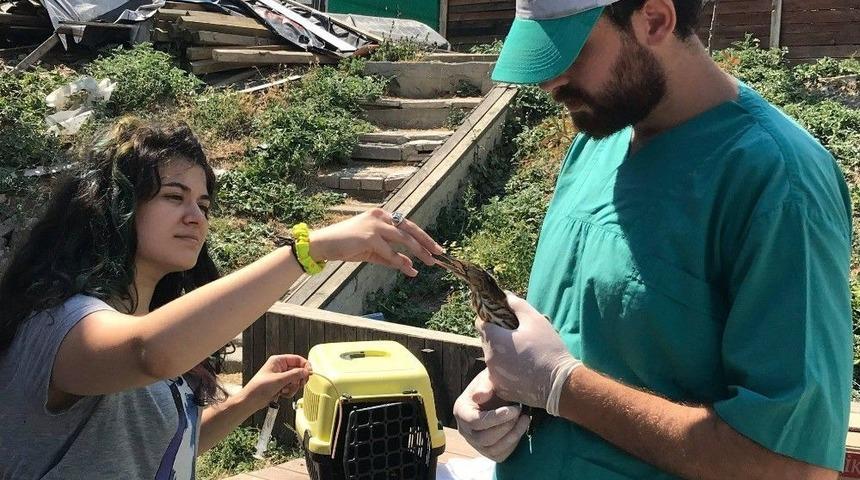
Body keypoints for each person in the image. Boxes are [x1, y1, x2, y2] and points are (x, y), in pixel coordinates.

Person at [453, 0, 853, 479]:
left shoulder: (777, 182)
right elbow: (593, 344)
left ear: (656, 19)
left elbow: (791, 467)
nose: (549, 82)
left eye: (571, 52)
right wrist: (508, 390)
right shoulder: (598, 140)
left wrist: (562, 386)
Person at [0, 116, 444, 479]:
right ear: (113, 204)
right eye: (175, 197)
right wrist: (308, 250)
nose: (196, 217)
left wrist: (250, 397)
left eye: (204, 205)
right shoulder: (59, 322)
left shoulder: (149, 320)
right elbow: (145, 351)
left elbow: (169, 443)